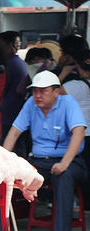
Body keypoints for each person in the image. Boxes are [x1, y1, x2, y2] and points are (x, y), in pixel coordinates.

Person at [0, 71, 87, 231]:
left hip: (69, 161)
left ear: (56, 92)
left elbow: (79, 133)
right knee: (6, 175)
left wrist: (64, 164)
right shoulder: (31, 104)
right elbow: (14, 132)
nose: (38, 95)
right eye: (35, 91)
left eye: (43, 91)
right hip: (39, 161)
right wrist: (3, 160)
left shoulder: (68, 104)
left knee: (64, 177)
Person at [62, 49, 90, 203]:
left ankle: (81, 202)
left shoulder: (75, 86)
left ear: (78, 66)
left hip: (80, 134)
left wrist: (64, 73)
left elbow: (52, 93)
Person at [0, 31, 29, 158]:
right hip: (17, 113)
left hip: (7, 115)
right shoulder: (21, 63)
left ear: (8, 45)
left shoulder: (9, 65)